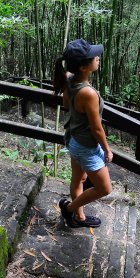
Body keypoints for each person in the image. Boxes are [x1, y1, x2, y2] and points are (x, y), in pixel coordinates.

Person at [53, 39, 113, 228]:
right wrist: (107, 149)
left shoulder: (70, 78)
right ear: (84, 66)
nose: (98, 58)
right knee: (104, 188)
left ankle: (79, 217)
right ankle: (69, 209)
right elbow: (96, 128)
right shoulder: (88, 93)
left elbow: (65, 105)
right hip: (86, 146)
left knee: (78, 179)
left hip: (74, 139)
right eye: (93, 57)